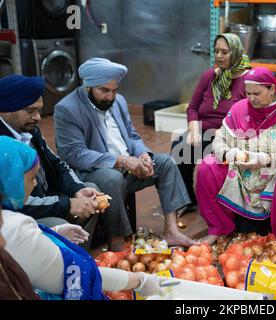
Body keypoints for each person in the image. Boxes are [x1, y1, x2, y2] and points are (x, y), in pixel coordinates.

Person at [0, 136, 164, 300]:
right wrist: (139, 281)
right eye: (31, 178)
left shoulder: (8, 219)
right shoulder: (13, 228)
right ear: (9, 181)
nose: (35, 184)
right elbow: (74, 274)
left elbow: (58, 166)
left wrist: (52, 232)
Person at [54, 58, 194, 248]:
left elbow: (132, 136)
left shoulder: (118, 101)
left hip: (127, 166)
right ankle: (117, 240)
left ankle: (171, 230)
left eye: (114, 90)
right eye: (104, 91)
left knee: (165, 163)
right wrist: (121, 161)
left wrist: (143, 154)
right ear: (88, 86)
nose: (110, 97)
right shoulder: (67, 109)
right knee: (113, 179)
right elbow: (74, 154)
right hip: (92, 173)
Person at [195, 67, 276, 248]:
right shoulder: (239, 109)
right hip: (244, 171)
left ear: (272, 89)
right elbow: (219, 140)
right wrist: (230, 154)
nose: (252, 98)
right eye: (248, 93)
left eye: (257, 93)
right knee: (207, 165)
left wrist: (265, 159)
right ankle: (219, 229)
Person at [0, 75, 105, 249]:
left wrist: (78, 190)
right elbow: (13, 202)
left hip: (46, 196)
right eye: (30, 110)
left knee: (92, 194)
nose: (38, 117)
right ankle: (59, 267)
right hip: (18, 213)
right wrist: (67, 205)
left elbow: (56, 163)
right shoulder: (3, 146)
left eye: (39, 110)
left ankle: (77, 258)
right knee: (56, 222)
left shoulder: (28, 127)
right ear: (7, 109)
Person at [171, 33, 251, 213]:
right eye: (216, 51)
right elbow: (192, 107)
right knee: (180, 147)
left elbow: (249, 119)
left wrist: (221, 133)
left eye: (225, 52)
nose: (219, 56)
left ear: (236, 52)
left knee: (213, 158)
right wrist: (193, 129)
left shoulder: (248, 81)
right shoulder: (209, 77)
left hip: (231, 136)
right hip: (204, 131)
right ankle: (187, 200)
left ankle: (227, 202)